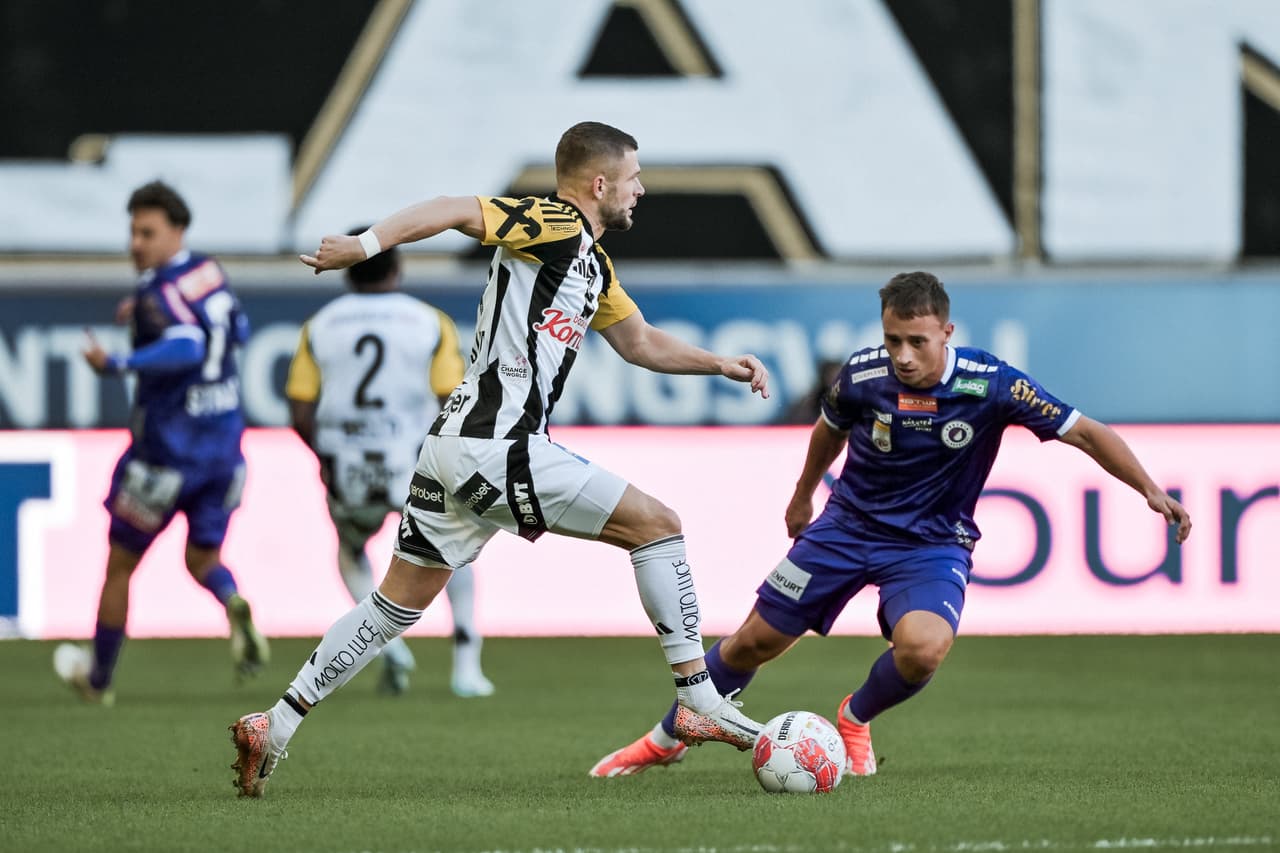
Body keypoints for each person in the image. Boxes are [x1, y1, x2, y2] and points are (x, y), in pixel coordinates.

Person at [227, 121, 772, 797]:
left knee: (393, 606)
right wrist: (363, 246)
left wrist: (719, 363)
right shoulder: (554, 222)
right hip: (498, 445)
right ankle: (698, 697)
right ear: (600, 183)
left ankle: (274, 724)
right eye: (634, 178)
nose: (641, 190)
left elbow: (640, 342)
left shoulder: (591, 263)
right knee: (657, 525)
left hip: (452, 448)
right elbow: (456, 209)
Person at [588, 270, 1192, 778]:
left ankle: (854, 716)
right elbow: (828, 430)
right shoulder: (862, 375)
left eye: (916, 342)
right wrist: (802, 498)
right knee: (752, 643)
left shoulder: (993, 384)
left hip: (932, 544)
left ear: (946, 333)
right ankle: (665, 741)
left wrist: (1149, 490)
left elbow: (1084, 431)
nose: (902, 355)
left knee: (924, 650)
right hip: (845, 528)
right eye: (893, 339)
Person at [53, 180, 269, 705]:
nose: (135, 244)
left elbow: (187, 344)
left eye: (147, 233)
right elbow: (236, 331)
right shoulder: (208, 273)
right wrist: (146, 309)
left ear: (177, 231)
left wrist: (118, 362)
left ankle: (98, 680)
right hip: (224, 452)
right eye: (132, 232)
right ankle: (232, 600)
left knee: (120, 566)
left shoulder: (157, 294)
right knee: (203, 559)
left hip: (164, 456)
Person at [284, 230, 494, 697]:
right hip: (414, 462)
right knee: (453, 548)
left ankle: (384, 643)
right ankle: (466, 664)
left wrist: (327, 456)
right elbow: (451, 399)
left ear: (346, 270)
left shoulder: (320, 325)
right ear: (397, 267)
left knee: (350, 550)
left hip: (347, 464)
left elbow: (299, 410)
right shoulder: (429, 321)